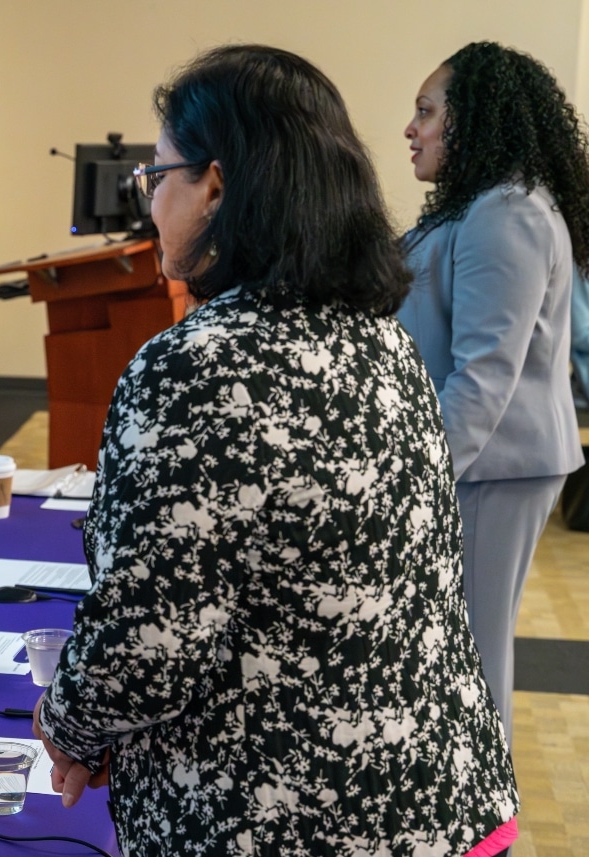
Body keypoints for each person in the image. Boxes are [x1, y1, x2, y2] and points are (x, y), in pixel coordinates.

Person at [32, 46, 519, 857]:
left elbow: (151, 639)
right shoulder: (382, 341)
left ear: (215, 185)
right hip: (442, 797)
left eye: (158, 180)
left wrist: (68, 722)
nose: (151, 207)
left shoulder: (198, 363)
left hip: (293, 821)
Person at [399, 42, 588, 738]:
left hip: (493, 466)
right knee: (464, 650)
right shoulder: (481, 203)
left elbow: (484, 375)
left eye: (426, 110)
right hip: (490, 465)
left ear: (472, 117)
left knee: (471, 657)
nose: (411, 128)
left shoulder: (504, 212)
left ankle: (484, 834)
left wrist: (419, 481)